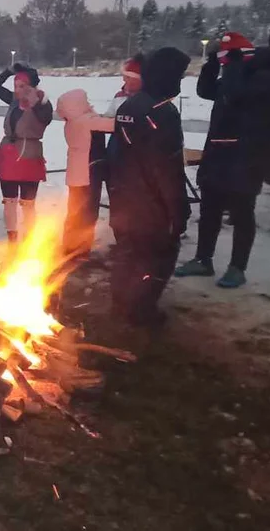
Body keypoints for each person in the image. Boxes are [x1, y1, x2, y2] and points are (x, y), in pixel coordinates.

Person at [176, 34, 270, 288]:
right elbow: (206, 91)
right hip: (218, 154)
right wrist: (211, 65)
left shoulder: (266, 79)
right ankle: (203, 259)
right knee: (209, 211)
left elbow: (235, 96)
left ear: (241, 56)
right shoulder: (232, 75)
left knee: (242, 213)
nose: (224, 63)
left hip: (247, 158)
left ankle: (238, 267)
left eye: (226, 57)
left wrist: (236, 66)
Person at [106, 47, 192, 328]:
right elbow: (166, 170)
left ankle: (121, 300)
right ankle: (141, 310)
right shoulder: (162, 112)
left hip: (125, 199)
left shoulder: (129, 107)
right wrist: (178, 210)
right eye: (179, 75)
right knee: (158, 257)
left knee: (128, 252)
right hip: (152, 206)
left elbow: (118, 155)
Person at [0, 63, 53, 242]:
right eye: (15, 86)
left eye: (22, 86)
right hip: (9, 154)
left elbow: (45, 118)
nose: (17, 90)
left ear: (31, 86)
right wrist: (8, 71)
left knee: (28, 203)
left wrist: (34, 101)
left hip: (30, 155)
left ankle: (29, 239)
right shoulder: (13, 101)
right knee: (9, 200)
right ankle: (12, 237)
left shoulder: (43, 103)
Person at [56, 89, 115, 263]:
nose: (88, 102)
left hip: (75, 173)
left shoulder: (72, 121)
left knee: (74, 212)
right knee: (87, 213)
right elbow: (113, 125)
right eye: (85, 100)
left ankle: (70, 247)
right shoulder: (87, 121)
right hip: (88, 172)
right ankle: (80, 251)